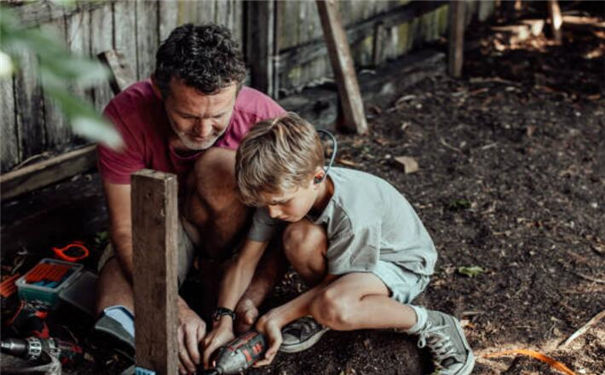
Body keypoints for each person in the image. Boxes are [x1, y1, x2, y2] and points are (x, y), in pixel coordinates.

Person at [201, 113, 475, 374]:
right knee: (298, 238)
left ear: (317, 177)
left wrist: (279, 315)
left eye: (280, 202)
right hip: (349, 263)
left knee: (333, 306)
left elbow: (334, 284)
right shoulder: (279, 190)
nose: (272, 212)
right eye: (267, 204)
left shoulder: (354, 212)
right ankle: (318, 312)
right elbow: (245, 261)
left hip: (400, 264)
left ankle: (434, 324)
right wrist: (223, 319)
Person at [95, 23, 286, 374]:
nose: (202, 130)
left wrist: (252, 294)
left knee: (219, 165)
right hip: (157, 225)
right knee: (113, 307)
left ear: (237, 92)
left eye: (217, 116)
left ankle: (215, 284)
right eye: (187, 115)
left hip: (237, 239)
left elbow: (297, 218)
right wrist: (174, 309)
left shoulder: (264, 119)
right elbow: (124, 228)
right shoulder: (125, 116)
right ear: (158, 88)